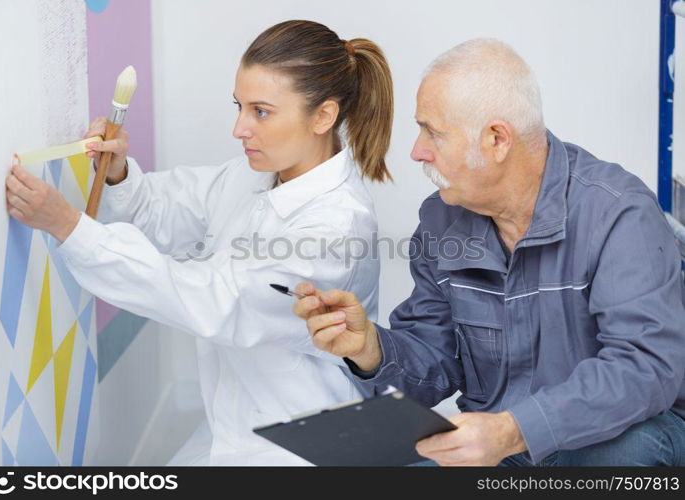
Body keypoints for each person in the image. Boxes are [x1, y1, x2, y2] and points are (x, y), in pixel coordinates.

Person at [4, 20, 394, 465]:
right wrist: (117, 171)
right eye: (239, 107)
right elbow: (166, 209)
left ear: (323, 116)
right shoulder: (251, 175)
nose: (239, 129)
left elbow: (217, 300)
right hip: (233, 425)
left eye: (260, 112)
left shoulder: (337, 226)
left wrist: (68, 226)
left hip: (304, 442)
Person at [293, 38, 685, 466]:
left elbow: (645, 369)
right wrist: (370, 348)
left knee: (631, 451)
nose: (417, 151)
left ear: (498, 139)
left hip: (607, 441)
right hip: (500, 452)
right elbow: (435, 359)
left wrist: (514, 430)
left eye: (433, 132)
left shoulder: (617, 214)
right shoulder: (442, 222)